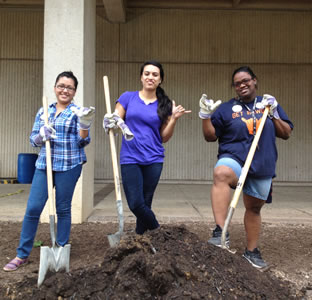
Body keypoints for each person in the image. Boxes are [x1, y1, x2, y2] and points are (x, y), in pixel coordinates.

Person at [199, 66, 293, 268]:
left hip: (262, 165)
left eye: (245, 81)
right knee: (221, 173)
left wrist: (275, 112)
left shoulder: (268, 105)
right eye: (237, 83)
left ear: (255, 81)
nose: (242, 85)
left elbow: (286, 133)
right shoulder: (226, 109)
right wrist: (205, 116)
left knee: (253, 209)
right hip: (234, 158)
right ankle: (219, 232)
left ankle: (252, 252)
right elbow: (210, 136)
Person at [3, 71, 95, 271]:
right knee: (33, 209)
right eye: (61, 86)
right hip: (44, 165)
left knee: (63, 208)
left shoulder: (77, 112)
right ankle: (22, 254)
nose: (65, 90)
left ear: (75, 91)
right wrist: (41, 135)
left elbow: (83, 141)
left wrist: (85, 125)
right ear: (55, 88)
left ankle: (60, 248)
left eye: (69, 87)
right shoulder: (44, 111)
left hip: (69, 165)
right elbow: (33, 139)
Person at [104, 60, 191, 235]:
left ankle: (141, 239)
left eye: (155, 74)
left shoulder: (164, 105)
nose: (150, 77)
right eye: (147, 73)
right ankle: (158, 232)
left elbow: (164, 137)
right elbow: (115, 123)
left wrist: (173, 118)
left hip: (154, 158)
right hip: (131, 157)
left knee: (146, 202)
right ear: (141, 77)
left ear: (160, 80)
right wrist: (110, 121)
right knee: (136, 203)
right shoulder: (127, 97)